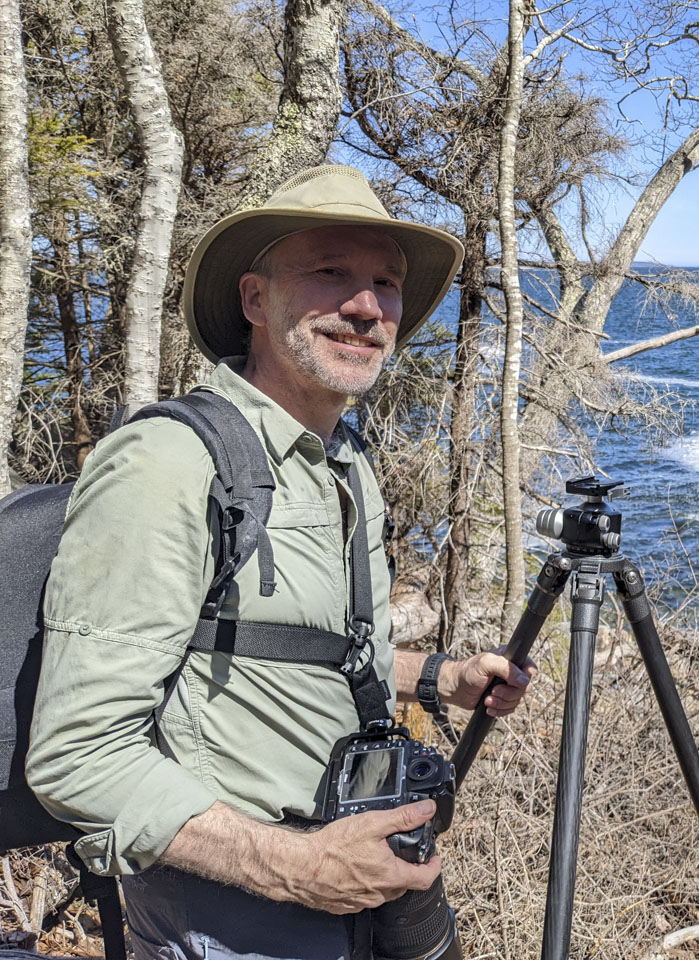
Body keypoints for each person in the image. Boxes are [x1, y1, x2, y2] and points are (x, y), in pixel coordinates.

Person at [26, 165, 532, 960]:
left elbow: (297, 644)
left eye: (385, 284)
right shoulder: (169, 464)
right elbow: (78, 755)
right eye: (330, 273)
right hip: (233, 909)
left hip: (356, 875)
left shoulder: (342, 464)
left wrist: (440, 678)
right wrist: (298, 869)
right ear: (256, 300)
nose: (366, 307)